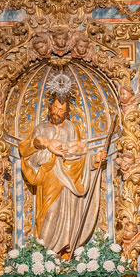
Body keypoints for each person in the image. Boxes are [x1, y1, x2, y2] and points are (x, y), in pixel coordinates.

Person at [19, 77, 114, 255]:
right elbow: (28, 154)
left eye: (61, 110)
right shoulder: (41, 128)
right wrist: (47, 149)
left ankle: (64, 251)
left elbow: (79, 154)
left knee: (69, 216)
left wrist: (94, 159)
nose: (57, 112)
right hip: (49, 177)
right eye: (55, 108)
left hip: (68, 180)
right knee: (50, 212)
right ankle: (43, 254)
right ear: (49, 108)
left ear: (66, 111)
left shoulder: (71, 128)